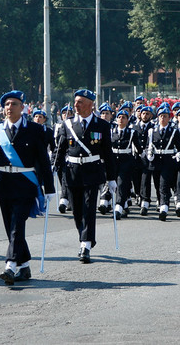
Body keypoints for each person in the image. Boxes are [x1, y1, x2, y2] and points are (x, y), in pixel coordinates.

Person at [0, 90, 54, 284]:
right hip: (5, 183)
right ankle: (24, 266)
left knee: (17, 225)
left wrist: (49, 188)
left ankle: (10, 265)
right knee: (11, 228)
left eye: (14, 104)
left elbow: (43, 160)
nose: (9, 107)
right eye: (7, 104)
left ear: (23, 107)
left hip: (25, 184)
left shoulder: (34, 130)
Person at [53, 89, 117, 264]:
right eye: (75, 102)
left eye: (80, 102)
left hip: (92, 170)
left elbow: (107, 153)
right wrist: (52, 170)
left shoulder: (102, 125)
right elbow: (60, 151)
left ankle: (85, 245)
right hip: (72, 172)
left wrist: (111, 178)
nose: (76, 105)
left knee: (89, 209)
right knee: (77, 211)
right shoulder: (67, 124)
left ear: (90, 104)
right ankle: (85, 236)